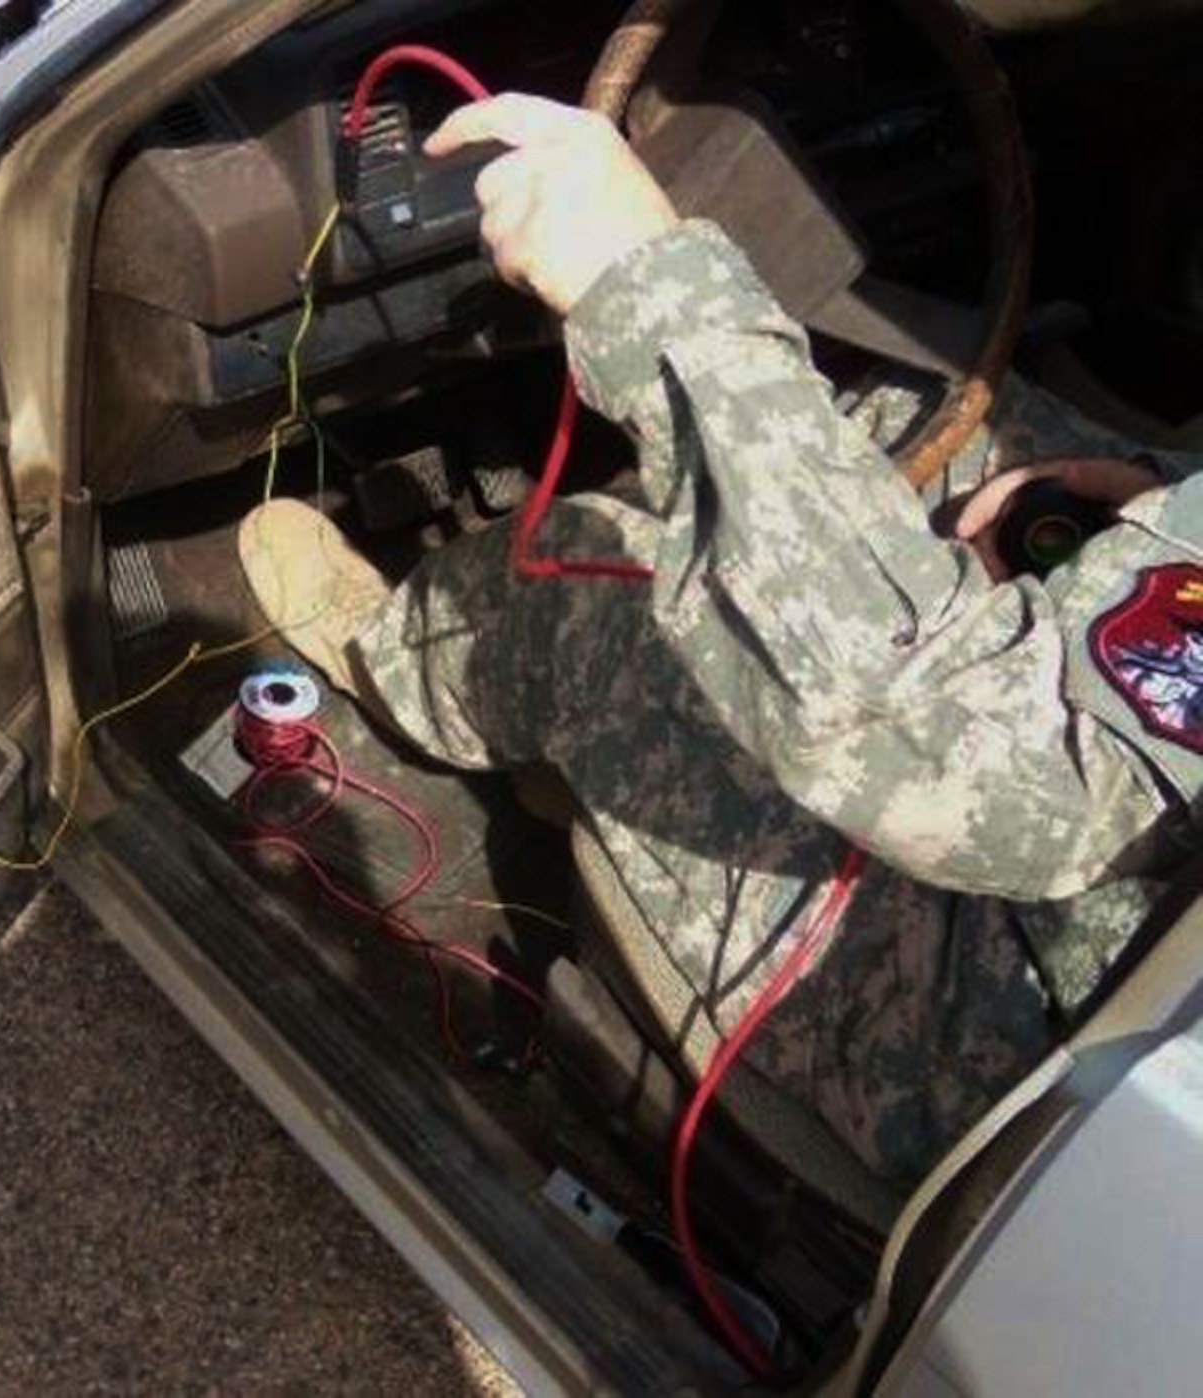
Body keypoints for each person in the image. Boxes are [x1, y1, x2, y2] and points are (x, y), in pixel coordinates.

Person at [239, 94, 1203, 1185]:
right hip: (1133, 925)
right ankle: (595, 746)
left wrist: (647, 280)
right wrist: (1157, 515)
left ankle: (396, 659)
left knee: (587, 578)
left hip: (1005, 1056)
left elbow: (972, 763)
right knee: (926, 422)